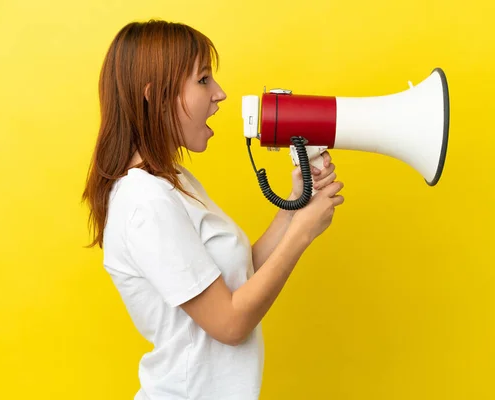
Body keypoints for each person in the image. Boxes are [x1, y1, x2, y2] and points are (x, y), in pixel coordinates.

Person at [82, 19, 344, 400]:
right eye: (203, 80)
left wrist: (292, 209)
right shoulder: (146, 201)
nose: (219, 93)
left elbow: (236, 279)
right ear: (155, 96)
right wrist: (303, 231)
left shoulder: (172, 182)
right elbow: (230, 322)